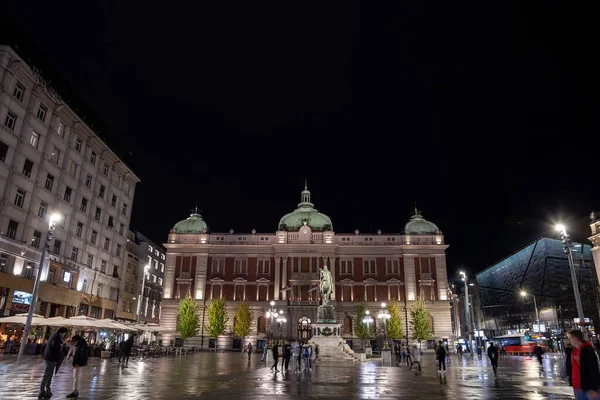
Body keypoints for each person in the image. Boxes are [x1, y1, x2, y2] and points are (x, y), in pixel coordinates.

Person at [568, 330, 600, 400]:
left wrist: (593, 388)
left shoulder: (587, 351)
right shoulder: (573, 351)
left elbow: (593, 370)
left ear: (576, 338)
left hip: (588, 387)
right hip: (577, 386)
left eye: (570, 337)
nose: (569, 339)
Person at [39, 327, 68, 399]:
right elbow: (54, 346)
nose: (64, 335)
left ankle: (47, 389)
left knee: (49, 374)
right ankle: (42, 390)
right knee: (47, 374)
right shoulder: (56, 337)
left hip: (50, 357)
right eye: (65, 333)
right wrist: (61, 345)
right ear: (62, 332)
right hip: (51, 358)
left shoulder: (54, 335)